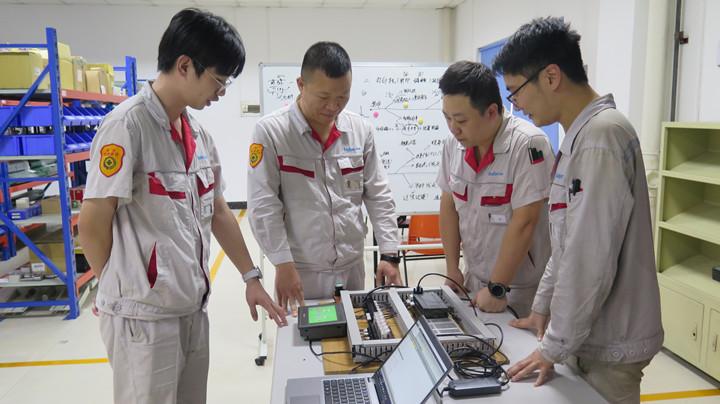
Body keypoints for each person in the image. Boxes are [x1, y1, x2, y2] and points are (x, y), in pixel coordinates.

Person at [78, 8, 286, 404]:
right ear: (185, 65)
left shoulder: (198, 135)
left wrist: (251, 277)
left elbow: (219, 211)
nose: (221, 92)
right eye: (218, 80)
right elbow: (92, 222)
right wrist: (116, 289)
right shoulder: (127, 127)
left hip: (191, 310)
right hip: (143, 320)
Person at [492, 17, 663, 402]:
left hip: (610, 343)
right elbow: (567, 243)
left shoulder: (600, 138)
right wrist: (541, 309)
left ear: (551, 77)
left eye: (515, 91)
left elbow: (589, 256)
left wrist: (554, 345)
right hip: (587, 335)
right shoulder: (581, 137)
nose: (516, 105)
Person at [248, 41, 402, 311]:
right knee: (304, 334)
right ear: (301, 85)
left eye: (343, 96)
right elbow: (263, 204)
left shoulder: (360, 131)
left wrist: (389, 253)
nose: (333, 106)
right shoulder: (271, 132)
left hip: (351, 265)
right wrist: (282, 262)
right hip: (300, 270)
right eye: (323, 97)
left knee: (355, 331)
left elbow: (379, 194)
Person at [437, 61, 553, 318]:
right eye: (447, 118)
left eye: (461, 120)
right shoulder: (453, 145)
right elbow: (449, 204)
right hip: (474, 280)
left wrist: (497, 287)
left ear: (491, 112)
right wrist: (453, 268)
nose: (453, 128)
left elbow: (526, 221)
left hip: (518, 289)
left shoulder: (528, 144)